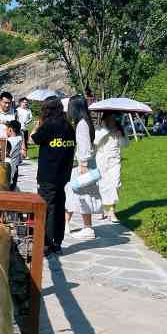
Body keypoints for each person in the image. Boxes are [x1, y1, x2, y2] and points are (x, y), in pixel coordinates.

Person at [31, 96, 76, 255]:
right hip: (63, 174)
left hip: (48, 174)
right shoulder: (68, 127)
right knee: (58, 206)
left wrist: (38, 127)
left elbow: (34, 139)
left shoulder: (49, 125)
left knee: (47, 208)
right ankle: (57, 241)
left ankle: (46, 243)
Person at [64, 95, 102, 240]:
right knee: (73, 194)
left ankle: (88, 228)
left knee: (83, 195)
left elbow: (84, 146)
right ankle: (66, 223)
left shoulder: (82, 125)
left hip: (82, 165)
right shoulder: (85, 122)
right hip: (83, 164)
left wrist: (83, 165)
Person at [95, 114, 128, 222]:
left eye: (114, 118)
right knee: (103, 185)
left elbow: (125, 144)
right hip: (101, 160)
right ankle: (103, 209)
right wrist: (106, 131)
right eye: (111, 118)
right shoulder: (99, 129)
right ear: (105, 119)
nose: (113, 120)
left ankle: (112, 211)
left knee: (115, 184)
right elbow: (95, 142)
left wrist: (120, 136)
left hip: (115, 161)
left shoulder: (120, 129)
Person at [5, 119, 23, 190]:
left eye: (6, 129)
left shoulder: (9, 141)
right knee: (13, 186)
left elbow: (5, 153)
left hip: (9, 167)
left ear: (10, 130)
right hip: (16, 167)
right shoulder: (20, 139)